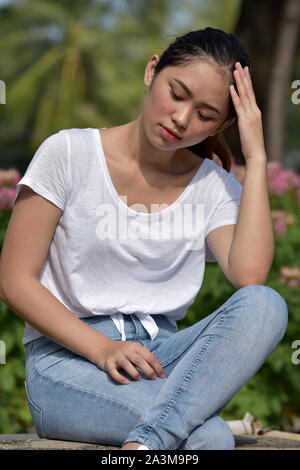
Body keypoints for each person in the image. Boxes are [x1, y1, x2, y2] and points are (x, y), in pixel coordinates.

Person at [0, 27, 288, 451]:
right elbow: (13, 281)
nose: (182, 118)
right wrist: (101, 349)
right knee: (209, 438)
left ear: (226, 123)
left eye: (206, 115)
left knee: (266, 303)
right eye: (177, 92)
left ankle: (147, 442)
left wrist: (257, 157)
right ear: (153, 70)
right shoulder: (69, 154)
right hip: (67, 361)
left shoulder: (214, 186)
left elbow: (249, 275)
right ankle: (155, 438)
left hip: (160, 358)